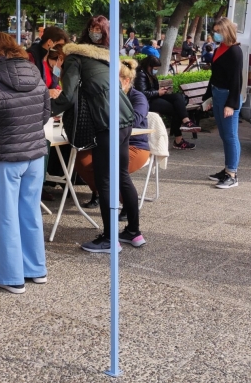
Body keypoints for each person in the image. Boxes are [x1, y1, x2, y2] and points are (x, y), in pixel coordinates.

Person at [52, 16, 143, 253]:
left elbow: (67, 96)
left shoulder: (75, 58)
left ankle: (110, 239)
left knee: (105, 181)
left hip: (107, 123)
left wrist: (45, 110)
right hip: (124, 119)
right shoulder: (105, 57)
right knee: (122, 176)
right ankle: (133, 232)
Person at [0, 32, 50, 293]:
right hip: (35, 153)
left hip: (6, 155)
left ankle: (9, 276)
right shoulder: (34, 71)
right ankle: (35, 268)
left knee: (4, 216)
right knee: (30, 212)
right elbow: (45, 114)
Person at [74, 59, 150, 227]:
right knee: (82, 160)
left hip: (134, 145)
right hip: (107, 142)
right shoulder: (107, 95)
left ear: (126, 81)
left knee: (110, 171)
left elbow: (135, 120)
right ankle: (103, 193)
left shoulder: (138, 97)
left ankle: (124, 204)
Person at [202, 18, 244, 188]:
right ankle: (227, 169)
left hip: (227, 97)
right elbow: (215, 76)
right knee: (225, 136)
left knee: (230, 136)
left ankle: (232, 174)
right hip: (218, 94)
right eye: (215, 31)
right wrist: (208, 96)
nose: (216, 34)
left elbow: (236, 80)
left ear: (227, 31)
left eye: (219, 31)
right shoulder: (221, 48)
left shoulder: (235, 51)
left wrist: (231, 104)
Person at [135, 56, 199, 150]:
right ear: (149, 66)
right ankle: (179, 141)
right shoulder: (141, 75)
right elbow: (142, 93)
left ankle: (186, 121)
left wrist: (162, 90)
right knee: (176, 110)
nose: (156, 71)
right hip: (148, 101)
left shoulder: (149, 73)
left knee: (178, 96)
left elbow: (153, 88)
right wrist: (157, 92)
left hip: (155, 96)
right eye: (155, 68)